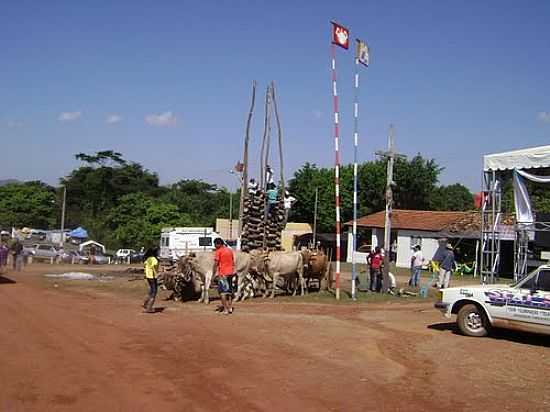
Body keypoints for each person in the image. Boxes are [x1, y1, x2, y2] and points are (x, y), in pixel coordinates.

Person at [213, 238, 235, 315]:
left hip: (223, 274)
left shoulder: (218, 252)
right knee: (229, 291)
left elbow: (216, 263)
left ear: (218, 244)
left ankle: (225, 309)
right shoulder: (229, 250)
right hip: (230, 273)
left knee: (222, 292)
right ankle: (230, 307)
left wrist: (213, 274)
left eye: (215, 244)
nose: (215, 246)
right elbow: (232, 261)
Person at [143, 248, 159, 313]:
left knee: (150, 290)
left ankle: (146, 303)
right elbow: (155, 267)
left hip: (148, 276)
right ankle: (149, 308)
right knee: (154, 292)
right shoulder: (154, 260)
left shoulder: (148, 259)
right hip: (153, 276)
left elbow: (145, 265)